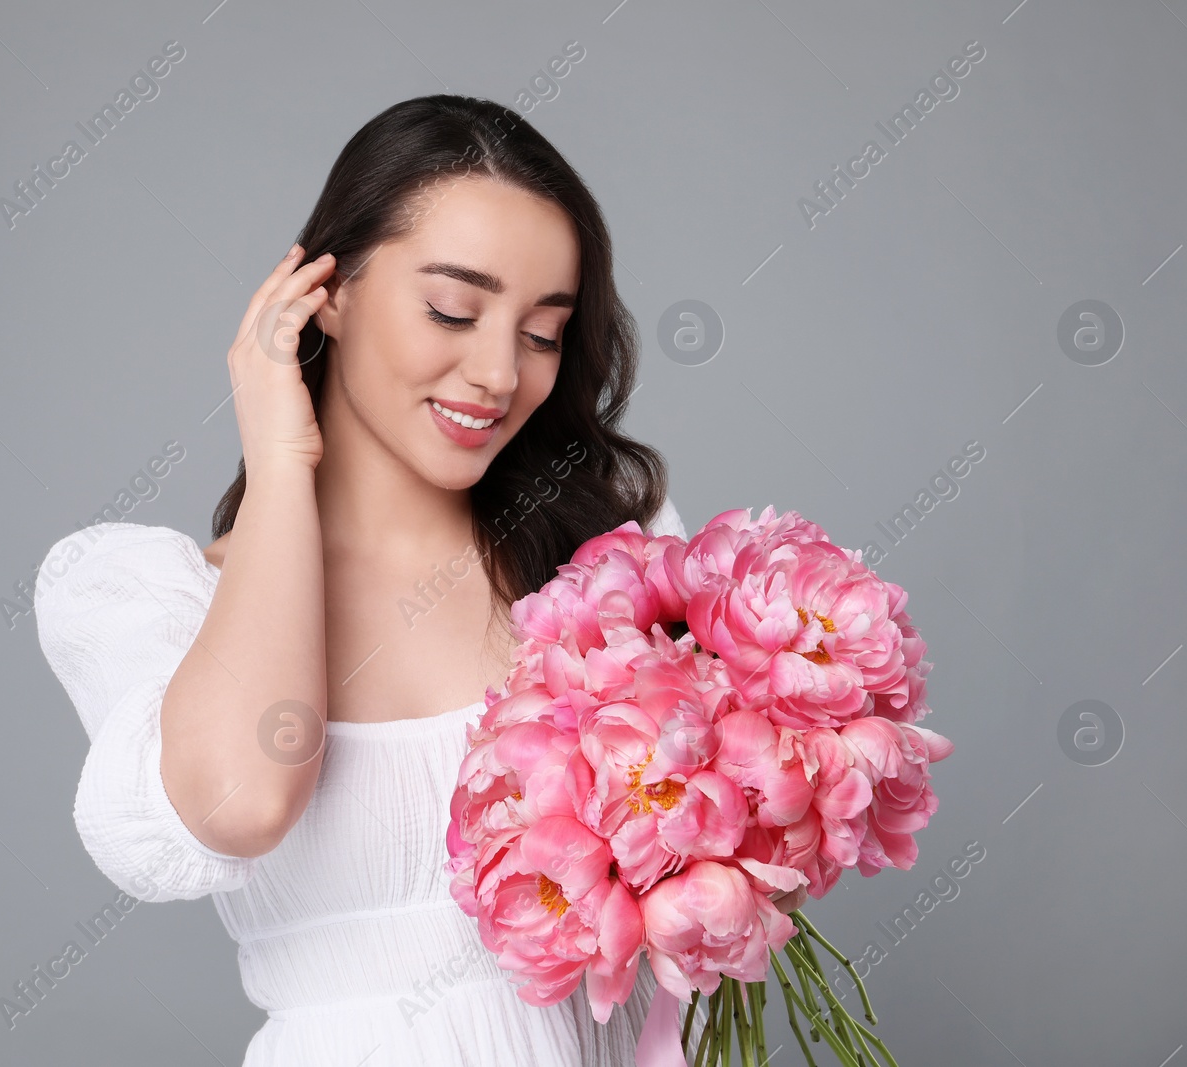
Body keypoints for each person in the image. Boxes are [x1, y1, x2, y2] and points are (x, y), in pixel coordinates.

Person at [36, 93, 694, 1065]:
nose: (496, 372)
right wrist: (276, 451)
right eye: (452, 309)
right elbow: (245, 798)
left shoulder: (614, 558)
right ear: (326, 293)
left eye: (542, 332)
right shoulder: (141, 594)